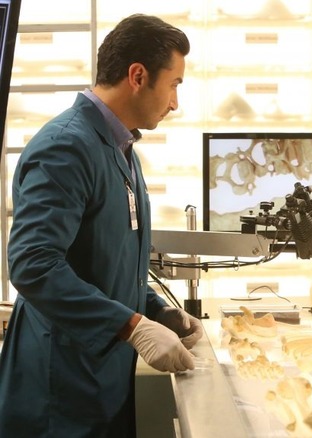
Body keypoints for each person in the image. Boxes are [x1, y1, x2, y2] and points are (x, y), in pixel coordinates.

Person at [0, 14, 204, 437]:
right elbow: (33, 265)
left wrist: (154, 309)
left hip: (100, 379)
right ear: (137, 75)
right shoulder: (65, 147)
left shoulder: (120, 146)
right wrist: (132, 326)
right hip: (58, 388)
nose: (174, 102)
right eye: (174, 85)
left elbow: (107, 256)